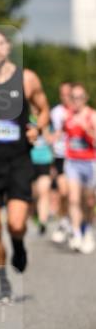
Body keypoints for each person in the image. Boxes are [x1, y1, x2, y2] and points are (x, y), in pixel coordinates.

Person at [0, 29, 50, 302]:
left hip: (18, 160)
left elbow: (43, 108)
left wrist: (37, 129)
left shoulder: (26, 78)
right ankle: (3, 280)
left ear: (9, 47)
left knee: (15, 224)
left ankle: (18, 244)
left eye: (2, 43)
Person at [63, 83, 96, 254]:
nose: (76, 101)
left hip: (90, 162)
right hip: (72, 162)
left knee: (89, 201)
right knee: (73, 199)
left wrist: (87, 130)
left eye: (79, 97)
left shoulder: (92, 115)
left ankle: (88, 230)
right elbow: (62, 135)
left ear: (86, 98)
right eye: (73, 97)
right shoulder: (67, 116)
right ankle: (76, 234)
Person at [50, 82, 73, 244]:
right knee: (64, 191)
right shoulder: (56, 112)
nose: (65, 97)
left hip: (78, 156)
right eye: (62, 94)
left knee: (76, 193)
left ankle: (75, 223)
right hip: (60, 155)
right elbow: (53, 133)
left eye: (67, 94)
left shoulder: (79, 111)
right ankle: (65, 220)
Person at [30, 117, 54, 235]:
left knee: (43, 192)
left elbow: (51, 141)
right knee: (33, 193)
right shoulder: (25, 117)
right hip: (29, 161)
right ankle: (35, 213)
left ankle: (42, 221)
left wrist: (44, 130)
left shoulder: (49, 120)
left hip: (45, 161)